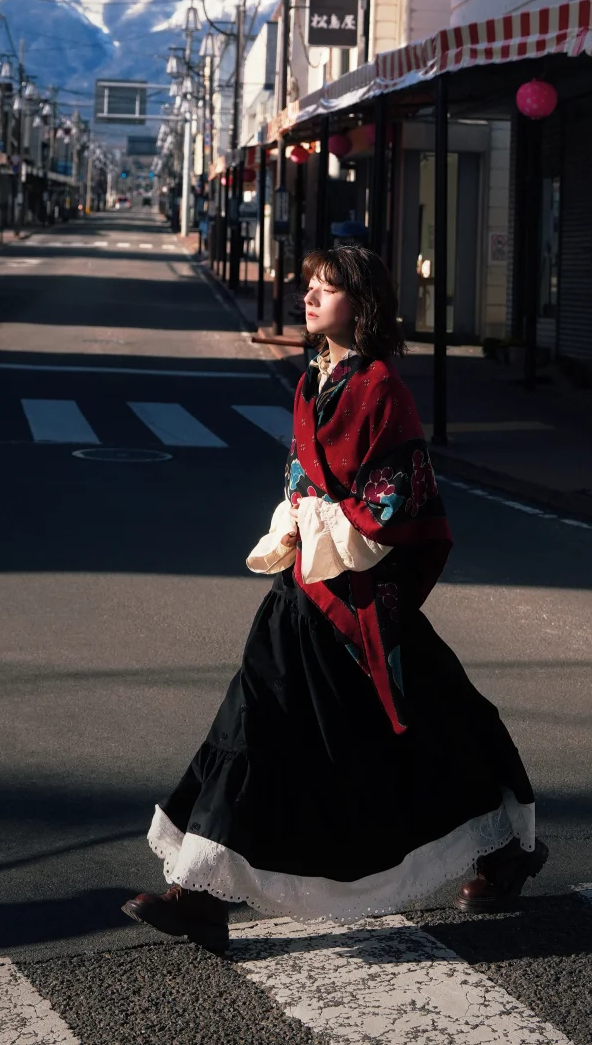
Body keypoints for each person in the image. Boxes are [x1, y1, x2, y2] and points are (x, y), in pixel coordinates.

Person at [122, 245, 545, 952]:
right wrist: (295, 511)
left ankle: (505, 846)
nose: (310, 297)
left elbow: (398, 496)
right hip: (305, 590)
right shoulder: (314, 378)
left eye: (328, 288)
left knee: (434, 723)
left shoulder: (382, 388)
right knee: (251, 723)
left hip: (360, 597)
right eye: (309, 286)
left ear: (364, 302)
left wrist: (317, 515)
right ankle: (197, 893)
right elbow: (301, 470)